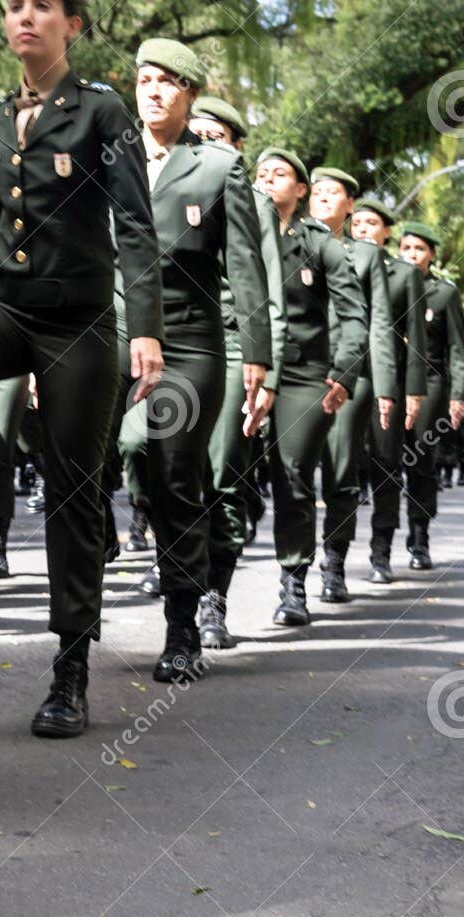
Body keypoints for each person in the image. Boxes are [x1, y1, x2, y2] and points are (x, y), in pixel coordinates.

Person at [0, 0, 165, 728]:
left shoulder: (103, 115)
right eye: (13, 6)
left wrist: (145, 328)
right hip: (4, 308)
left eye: (42, 6)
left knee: (73, 487)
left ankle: (70, 668)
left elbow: (136, 225)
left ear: (73, 24)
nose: (24, 17)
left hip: (77, 319)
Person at [114, 39, 269, 680]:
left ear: (190, 95)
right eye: (144, 79)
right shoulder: (109, 157)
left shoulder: (217, 168)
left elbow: (245, 265)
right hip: (116, 333)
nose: (152, 91)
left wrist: (257, 355)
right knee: (127, 451)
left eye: (167, 82)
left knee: (175, 469)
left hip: (189, 339)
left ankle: (182, 630)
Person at [184, 93, 285, 650]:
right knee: (145, 456)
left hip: (228, 343)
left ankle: (211, 597)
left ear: (236, 147)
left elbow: (266, 289)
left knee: (222, 472)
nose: (202, 142)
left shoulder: (252, 199)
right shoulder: (162, 182)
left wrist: (264, 372)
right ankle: (179, 561)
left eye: (215, 136)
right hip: (169, 341)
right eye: (195, 133)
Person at [252, 147, 367, 626]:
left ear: (300, 191)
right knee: (219, 473)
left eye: (280, 175)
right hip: (242, 364)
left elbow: (353, 312)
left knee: (293, 472)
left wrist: (343, 373)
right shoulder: (234, 233)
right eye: (260, 173)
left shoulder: (320, 242)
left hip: (302, 374)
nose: (268, 180)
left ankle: (293, 580)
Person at [305, 167, 396, 600]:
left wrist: (385, 388)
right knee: (294, 472)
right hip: (295, 369)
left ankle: (334, 562)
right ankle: (293, 572)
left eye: (333, 192)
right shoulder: (289, 243)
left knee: (340, 472)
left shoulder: (366, 256)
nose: (323, 198)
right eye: (316, 191)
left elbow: (378, 323)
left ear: (350, 204)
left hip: (347, 373)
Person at [348, 196, 427, 582]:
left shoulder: (404, 274)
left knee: (385, 464)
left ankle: (381, 550)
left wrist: (412, 391)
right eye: (357, 222)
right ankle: (334, 555)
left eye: (371, 224)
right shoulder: (339, 260)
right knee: (343, 465)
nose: (362, 229)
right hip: (343, 378)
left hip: (387, 383)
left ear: (387, 231)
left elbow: (416, 337)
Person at [396, 221, 464, 569]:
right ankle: (382, 541)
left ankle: (420, 537)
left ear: (432, 255)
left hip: (431, 382)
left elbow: (457, 347)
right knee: (385, 459)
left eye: (419, 249)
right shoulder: (387, 282)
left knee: (421, 460)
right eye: (406, 248)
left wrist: (459, 394)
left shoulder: (444, 292)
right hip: (391, 380)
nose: (412, 255)